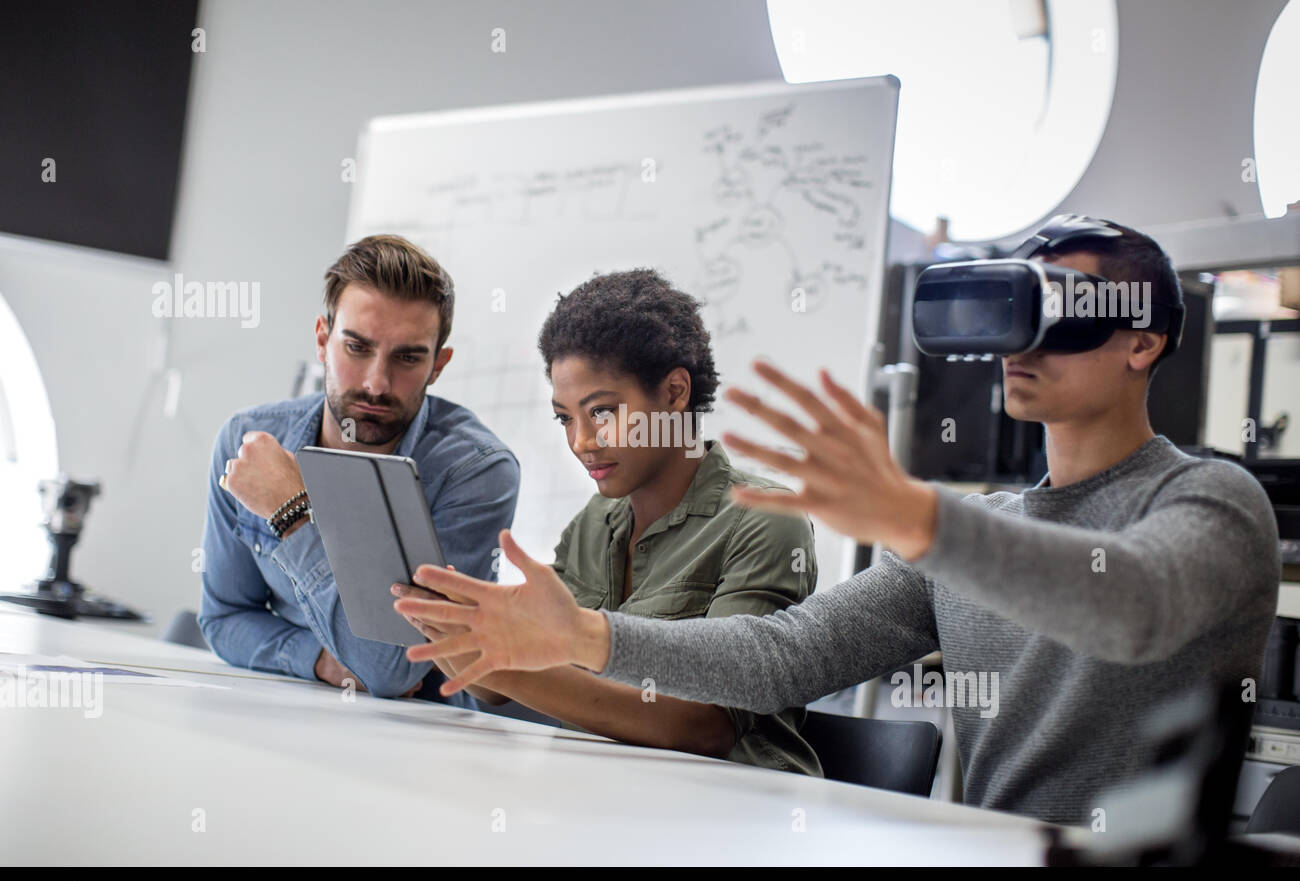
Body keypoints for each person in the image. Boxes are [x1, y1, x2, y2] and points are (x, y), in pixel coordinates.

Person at [395, 220, 1281, 825]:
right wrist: (585, 635)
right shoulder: (965, 534)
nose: (1022, 345)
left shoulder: (1210, 503)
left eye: (1061, 317)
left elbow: (1129, 606)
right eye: (1018, 314)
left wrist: (921, 519)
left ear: (1144, 341)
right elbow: (778, 658)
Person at [397, 269, 821, 774]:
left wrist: (507, 665)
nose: (581, 441)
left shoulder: (764, 520)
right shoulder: (595, 524)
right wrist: (451, 624)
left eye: (600, 412)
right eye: (565, 418)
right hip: (605, 797)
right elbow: (493, 688)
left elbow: (703, 725)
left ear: (674, 393)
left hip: (729, 819)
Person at [199, 234, 519, 705]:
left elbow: (391, 670)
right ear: (323, 340)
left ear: (438, 365)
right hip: (289, 713)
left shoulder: (475, 473)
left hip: (420, 739)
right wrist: (319, 660)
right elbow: (223, 619)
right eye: (357, 348)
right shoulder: (246, 440)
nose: (376, 383)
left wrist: (293, 513)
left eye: (407, 358)